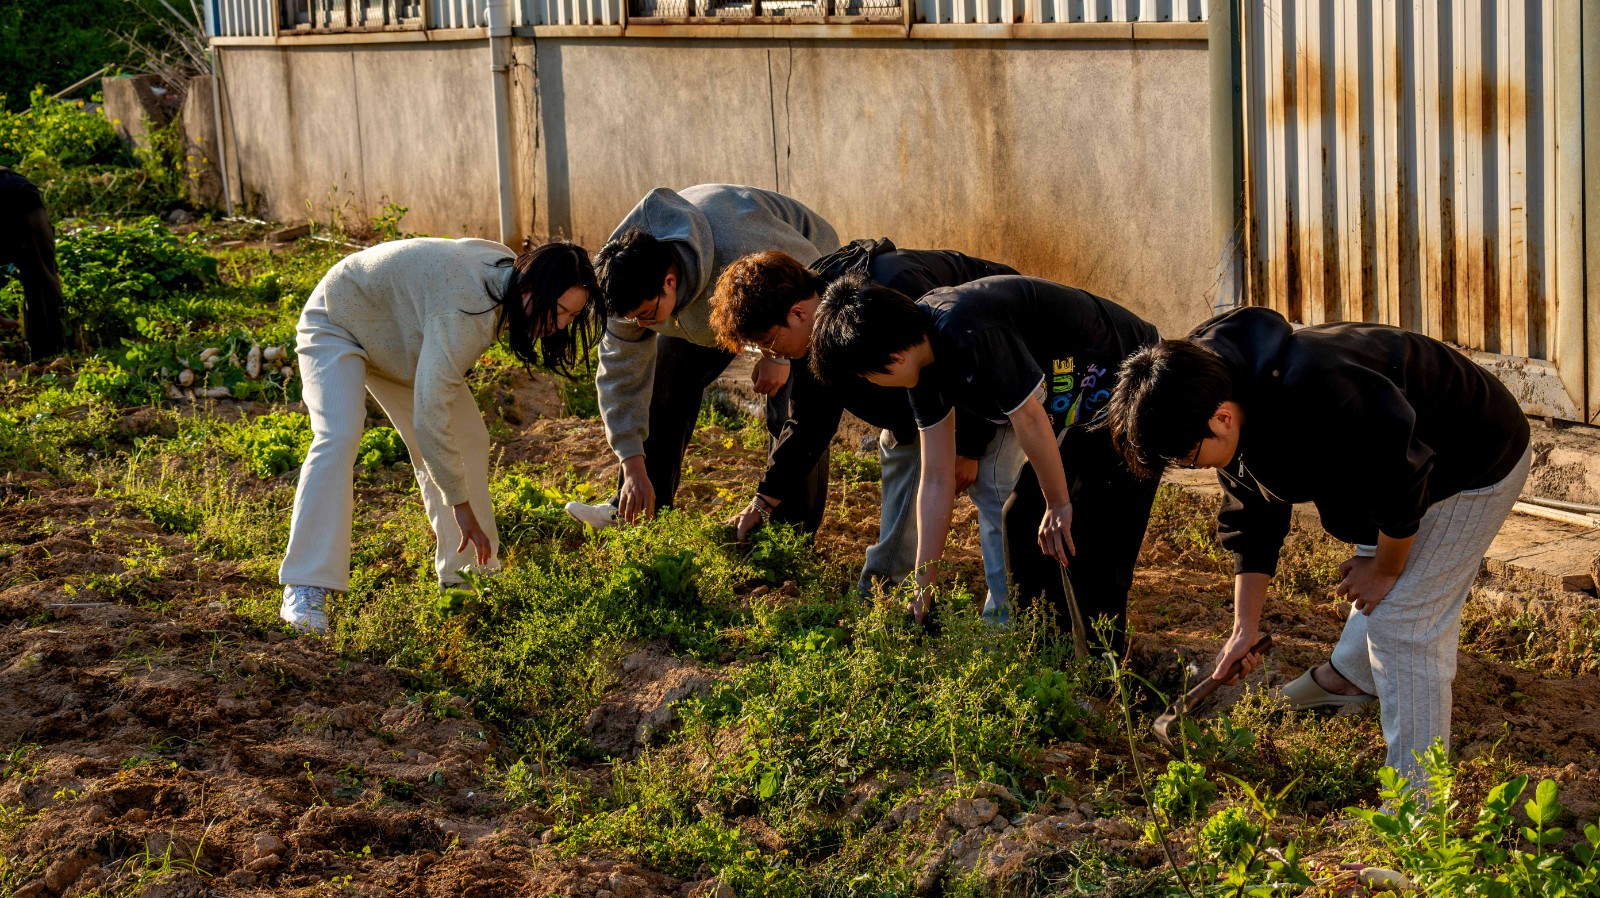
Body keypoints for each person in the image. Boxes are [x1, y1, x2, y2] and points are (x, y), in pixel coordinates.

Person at [1103, 306, 1531, 783]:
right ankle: (1350, 676)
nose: (1190, 467)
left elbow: (1400, 484)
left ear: (1222, 418)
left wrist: (1385, 569)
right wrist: (1244, 628)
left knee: (1403, 624)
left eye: (1187, 457)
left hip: (1472, 458)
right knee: (1383, 579)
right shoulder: (1209, 384)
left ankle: (1418, 804)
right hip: (1391, 463)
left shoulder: (1321, 392)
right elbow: (1253, 512)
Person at [809, 275, 1161, 650]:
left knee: (1090, 536)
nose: (871, 384)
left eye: (867, 375)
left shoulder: (966, 330)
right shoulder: (923, 364)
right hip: (1081, 411)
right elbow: (936, 478)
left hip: (1135, 384)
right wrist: (923, 586)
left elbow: (1029, 419)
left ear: (894, 359)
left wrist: (1059, 503)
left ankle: (1102, 669)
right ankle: (1044, 653)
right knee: (1021, 521)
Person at [278, 238, 601, 635]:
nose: (562, 325)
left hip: (401, 336)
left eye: (572, 315)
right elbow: (429, 420)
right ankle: (305, 585)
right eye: (560, 310)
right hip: (340, 317)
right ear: (531, 288)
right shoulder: (466, 313)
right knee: (339, 435)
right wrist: (460, 506)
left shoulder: (507, 275)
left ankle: (467, 580)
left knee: (469, 440)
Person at [708, 239, 1024, 606]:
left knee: (991, 485)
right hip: (932, 394)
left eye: (768, 342)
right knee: (902, 448)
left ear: (796, 313)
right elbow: (808, 421)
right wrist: (763, 501)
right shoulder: (813, 327)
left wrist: (970, 446)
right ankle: (884, 587)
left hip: (1003, 368)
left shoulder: (889, 290)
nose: (771, 354)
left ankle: (1010, 616)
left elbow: (965, 357)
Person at [563, 184, 839, 533]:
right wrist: (631, 462)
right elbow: (621, 375)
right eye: (634, 319)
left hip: (800, 282)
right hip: (707, 304)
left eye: (647, 315)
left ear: (669, 282)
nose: (643, 326)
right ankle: (638, 513)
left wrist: (778, 354)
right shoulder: (623, 277)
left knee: (791, 409)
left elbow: (810, 276)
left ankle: (787, 534)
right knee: (663, 381)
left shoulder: (738, 243)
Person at [0, 167, 66, 358]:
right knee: (41, 274)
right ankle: (48, 353)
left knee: (40, 274)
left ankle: (46, 355)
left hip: (15, 192)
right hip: (22, 192)